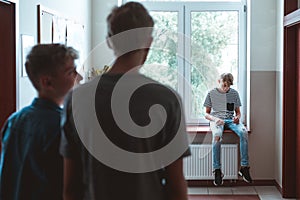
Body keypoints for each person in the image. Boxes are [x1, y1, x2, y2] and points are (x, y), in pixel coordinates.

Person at [60, 2, 190, 200]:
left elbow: (70, 187)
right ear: (149, 41)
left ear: (110, 41)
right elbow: (176, 185)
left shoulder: (76, 99)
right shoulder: (167, 100)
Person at [0, 44, 80, 200]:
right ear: (47, 83)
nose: (79, 77)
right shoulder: (61, 127)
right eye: (71, 72)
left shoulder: (14, 120)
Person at [203, 72, 252, 186]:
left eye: (228, 86)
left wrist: (237, 118)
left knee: (243, 132)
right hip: (217, 120)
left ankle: (244, 167)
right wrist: (215, 119)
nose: (226, 88)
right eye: (224, 85)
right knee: (217, 136)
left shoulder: (234, 94)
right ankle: (217, 170)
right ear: (219, 82)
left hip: (231, 121)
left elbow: (238, 112)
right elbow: (206, 114)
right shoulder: (211, 93)